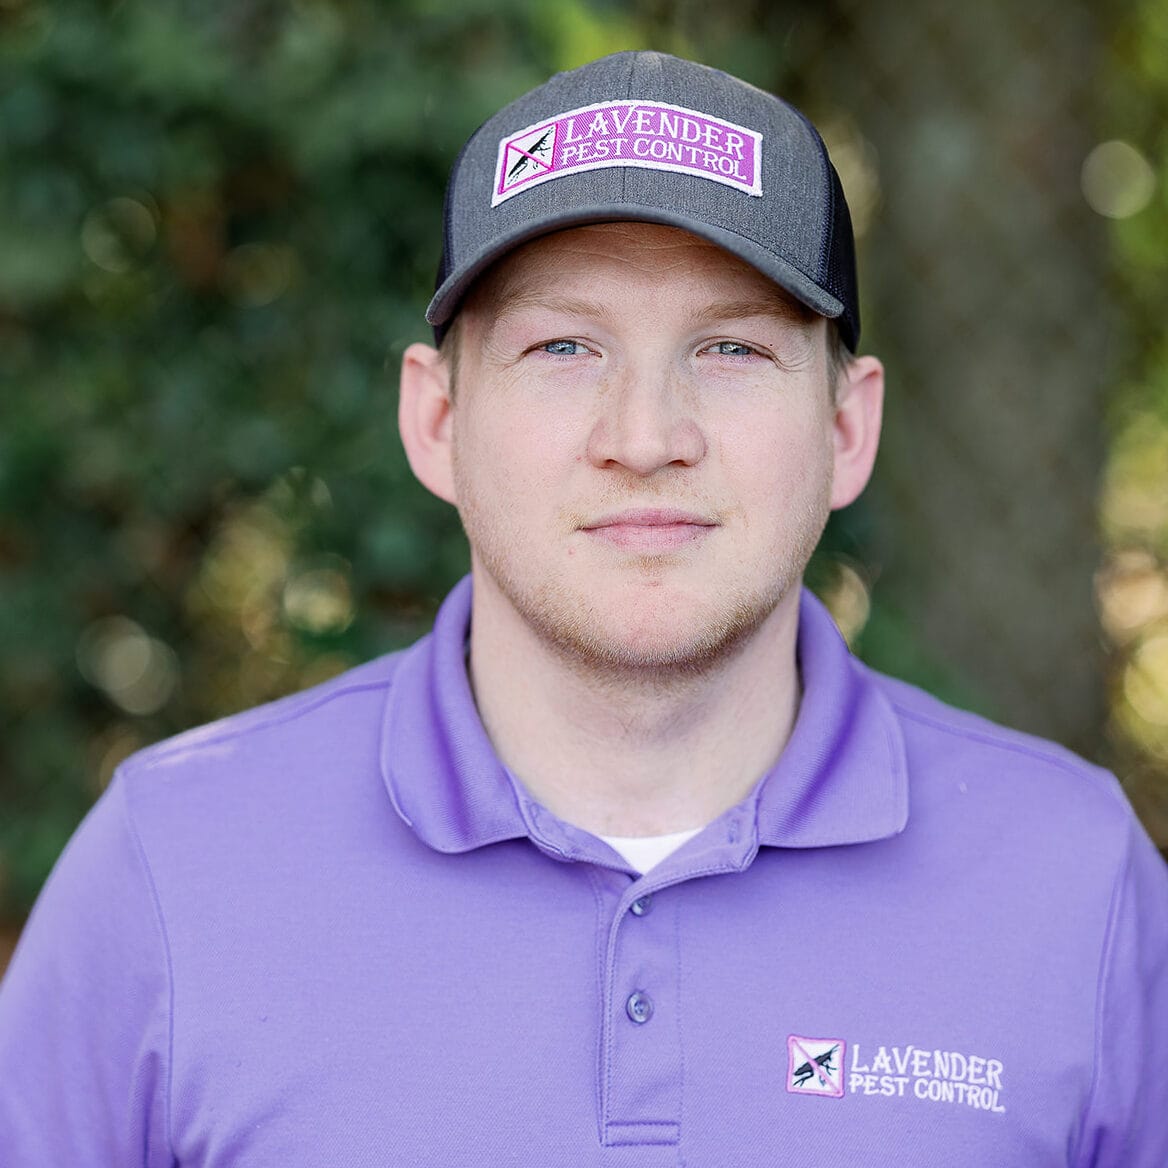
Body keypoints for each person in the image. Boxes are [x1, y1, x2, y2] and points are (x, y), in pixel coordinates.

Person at [1, 50, 1165, 1167]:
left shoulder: (1075, 884)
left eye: (730, 348)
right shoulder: (173, 868)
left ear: (845, 428)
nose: (646, 438)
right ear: (438, 422)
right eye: (563, 345)